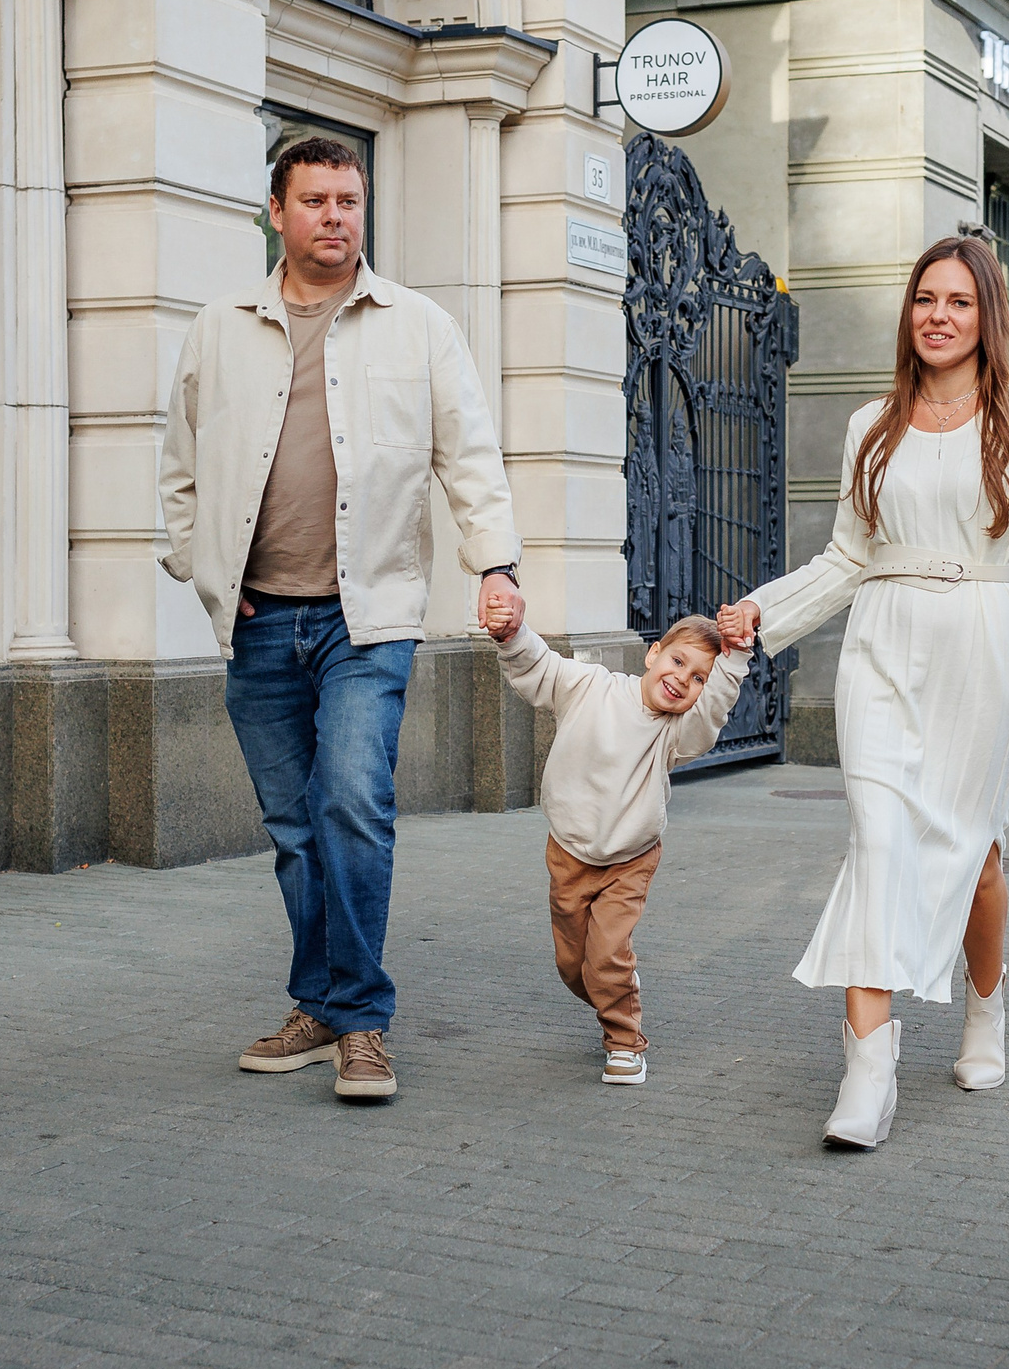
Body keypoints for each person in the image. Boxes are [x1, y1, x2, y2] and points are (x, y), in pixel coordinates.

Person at [160, 136, 523, 1104]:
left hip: (370, 617)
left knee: (352, 803)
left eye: (349, 200)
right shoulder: (219, 328)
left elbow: (470, 456)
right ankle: (318, 1006)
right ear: (274, 212)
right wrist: (204, 573)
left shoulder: (418, 327)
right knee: (293, 825)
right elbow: (180, 473)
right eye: (316, 200)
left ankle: (360, 1021)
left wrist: (497, 564)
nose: (336, 216)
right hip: (260, 620)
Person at [719, 228, 1009, 1149]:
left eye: (959, 301)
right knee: (879, 841)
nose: (939, 316)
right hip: (881, 645)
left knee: (977, 854)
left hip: (982, 642)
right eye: (926, 299)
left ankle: (986, 1011)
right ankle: (868, 1072)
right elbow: (848, 555)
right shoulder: (869, 426)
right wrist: (764, 612)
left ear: (986, 316)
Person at [481, 593, 752, 1086]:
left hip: (631, 858)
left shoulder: (677, 733)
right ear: (653, 654)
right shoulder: (591, 686)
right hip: (568, 850)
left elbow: (711, 712)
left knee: (605, 955)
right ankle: (616, 986)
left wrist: (734, 658)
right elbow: (539, 667)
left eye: (698, 678)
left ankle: (625, 1043)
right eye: (677, 661)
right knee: (574, 967)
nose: (681, 680)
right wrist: (510, 633)